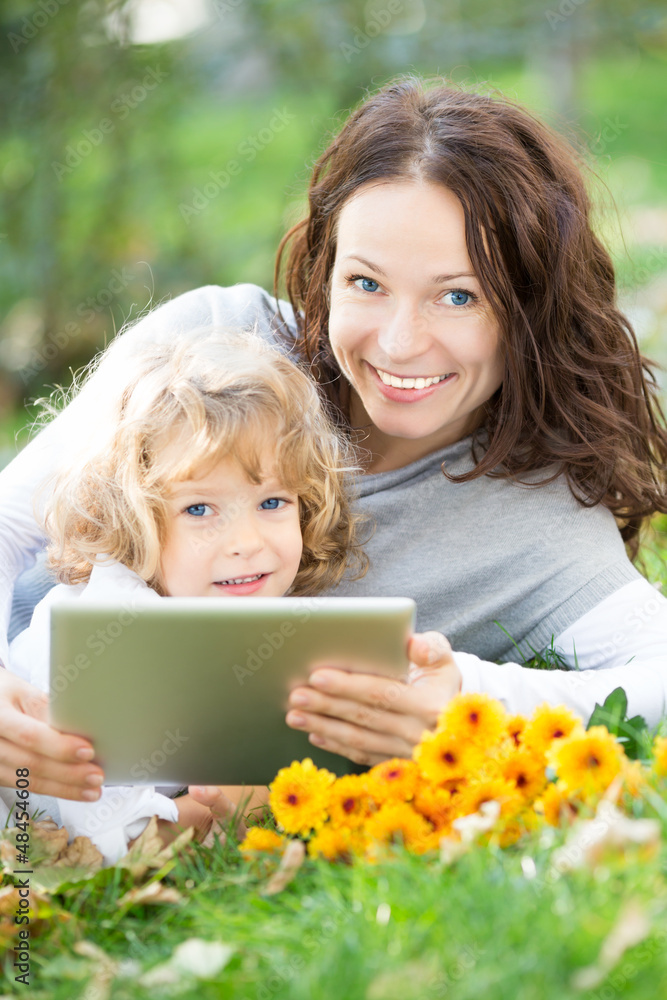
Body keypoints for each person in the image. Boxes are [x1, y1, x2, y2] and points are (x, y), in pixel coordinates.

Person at [1, 77, 667, 800]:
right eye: (366, 284)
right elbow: (11, 522)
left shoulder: (535, 524)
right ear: (325, 271)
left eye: (458, 296)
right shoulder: (214, 346)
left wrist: (470, 705)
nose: (400, 343)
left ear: (529, 307)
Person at [0, 327, 366, 862]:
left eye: (271, 503)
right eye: (199, 510)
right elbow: (69, 809)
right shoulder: (102, 633)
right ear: (132, 521)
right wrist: (180, 826)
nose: (246, 543)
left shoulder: (268, 626)